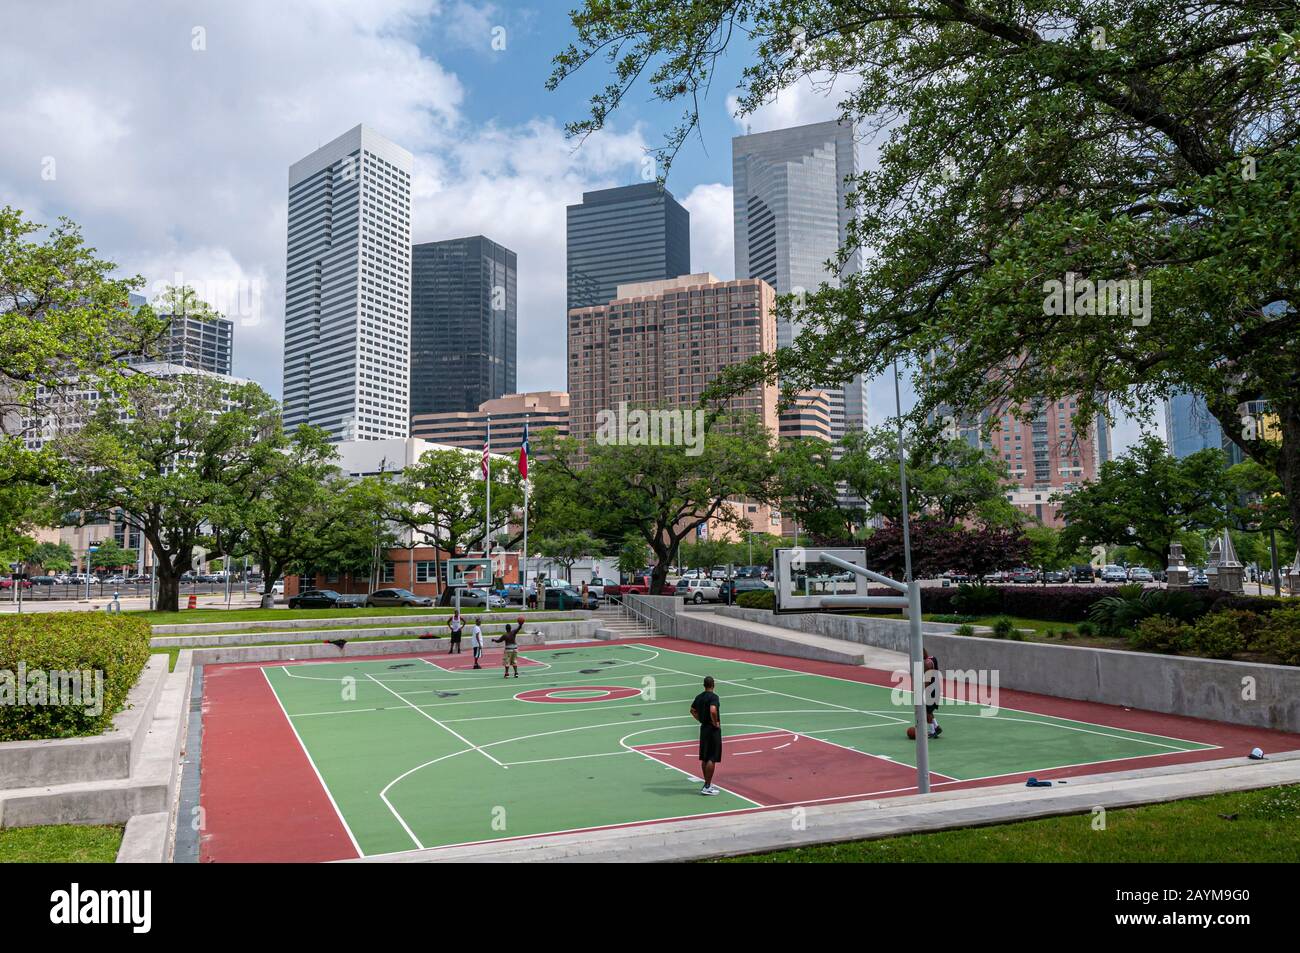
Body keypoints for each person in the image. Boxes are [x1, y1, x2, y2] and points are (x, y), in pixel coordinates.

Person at [689, 676, 723, 795]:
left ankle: (706, 783)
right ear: (713, 684)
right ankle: (707, 785)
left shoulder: (699, 697)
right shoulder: (714, 697)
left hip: (703, 728)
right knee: (711, 758)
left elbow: (692, 710)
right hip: (712, 730)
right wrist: (715, 723)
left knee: (704, 757)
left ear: (704, 685)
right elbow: (713, 710)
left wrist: (700, 719)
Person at [923, 649, 942, 738]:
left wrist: (923, 691)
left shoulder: (927, 664)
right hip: (936, 687)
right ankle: (936, 727)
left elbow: (928, 679)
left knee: (926, 712)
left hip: (931, 690)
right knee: (930, 711)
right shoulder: (933, 658)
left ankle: (932, 731)